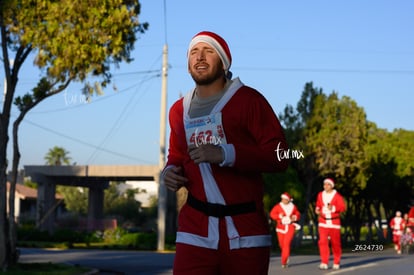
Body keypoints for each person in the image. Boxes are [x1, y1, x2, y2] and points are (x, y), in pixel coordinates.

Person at [161, 31, 289, 275]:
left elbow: (281, 156)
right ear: (188, 64)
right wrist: (169, 172)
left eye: (208, 51)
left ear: (224, 62)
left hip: (245, 230)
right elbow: (176, 156)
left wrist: (226, 154)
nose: (199, 57)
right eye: (193, 53)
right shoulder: (178, 110)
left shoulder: (249, 101)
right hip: (195, 228)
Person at [315, 178, 346, 270]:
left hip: (334, 222)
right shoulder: (320, 195)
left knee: (335, 243)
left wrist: (333, 208)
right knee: (322, 242)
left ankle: (336, 261)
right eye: (325, 184)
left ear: (332, 186)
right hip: (323, 222)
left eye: (328, 184)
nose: (326, 186)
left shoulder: (337, 196)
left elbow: (343, 207)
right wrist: (317, 209)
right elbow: (318, 204)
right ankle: (324, 262)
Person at [269, 192, 301, 268]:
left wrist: (295, 217)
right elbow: (272, 214)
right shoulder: (278, 206)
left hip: (290, 227)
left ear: (289, 200)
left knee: (286, 244)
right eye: (282, 199)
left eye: (285, 199)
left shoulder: (293, 207)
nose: (283, 200)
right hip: (280, 227)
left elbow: (297, 214)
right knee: (281, 245)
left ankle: (284, 261)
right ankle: (285, 256)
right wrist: (279, 216)